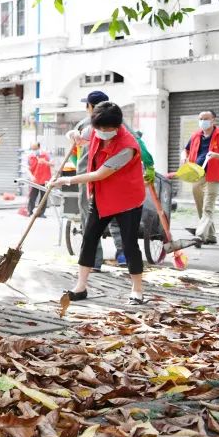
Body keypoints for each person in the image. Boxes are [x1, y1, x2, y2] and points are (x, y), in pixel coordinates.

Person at [50, 102, 147, 305]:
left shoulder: (127, 146)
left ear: (118, 126)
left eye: (108, 129)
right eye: (100, 128)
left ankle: (137, 290)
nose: (103, 132)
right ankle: (81, 286)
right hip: (102, 196)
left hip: (126, 199)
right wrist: (73, 136)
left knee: (129, 244)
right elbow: (75, 135)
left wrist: (65, 180)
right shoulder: (93, 129)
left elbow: (99, 174)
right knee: (89, 238)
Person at [67, 90, 124, 269]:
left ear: (90, 107)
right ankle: (123, 254)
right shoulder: (120, 124)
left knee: (89, 217)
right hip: (114, 175)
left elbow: (76, 153)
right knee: (116, 215)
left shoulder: (86, 124)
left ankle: (94, 260)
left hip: (89, 177)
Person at [182, 110, 219, 244]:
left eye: (206, 119)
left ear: (213, 120)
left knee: (208, 207)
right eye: (201, 119)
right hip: (197, 174)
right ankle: (211, 236)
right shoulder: (196, 135)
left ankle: (200, 235)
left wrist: (216, 155)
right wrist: (184, 157)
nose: (203, 121)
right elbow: (186, 149)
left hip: (213, 175)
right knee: (200, 205)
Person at [26, 142, 51, 217]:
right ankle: (30, 211)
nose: (34, 150)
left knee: (44, 197)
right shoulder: (30, 156)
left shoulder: (46, 155)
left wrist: (45, 162)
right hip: (34, 180)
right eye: (32, 149)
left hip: (45, 179)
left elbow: (52, 164)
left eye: (35, 148)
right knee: (32, 196)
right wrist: (31, 177)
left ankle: (41, 213)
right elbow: (27, 168)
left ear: (39, 147)